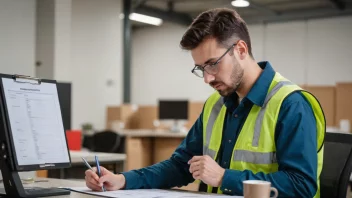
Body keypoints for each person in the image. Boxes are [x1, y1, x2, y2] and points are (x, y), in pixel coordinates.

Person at [85, 8, 325, 197]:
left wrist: (224, 178)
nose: (208, 78)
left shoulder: (291, 104)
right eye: (201, 69)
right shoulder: (216, 104)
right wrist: (124, 180)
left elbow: (302, 185)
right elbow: (181, 165)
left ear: (240, 49)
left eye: (213, 63)